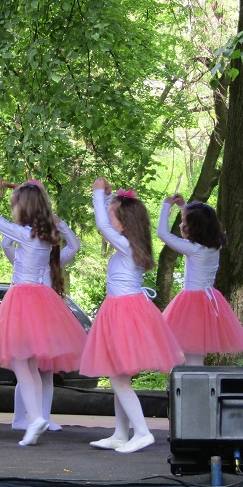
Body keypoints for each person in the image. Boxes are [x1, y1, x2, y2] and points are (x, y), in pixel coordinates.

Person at [0, 178, 87, 447]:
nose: (12, 210)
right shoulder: (46, 238)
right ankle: (36, 417)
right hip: (42, 301)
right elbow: (71, 245)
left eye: (14, 205)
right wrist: (60, 223)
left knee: (22, 363)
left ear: (23, 208)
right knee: (31, 367)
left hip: (23, 301)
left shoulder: (24, 234)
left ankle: (37, 417)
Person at [80, 180, 184, 454]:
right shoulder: (128, 244)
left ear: (125, 223)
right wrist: (107, 196)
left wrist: (96, 193)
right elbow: (110, 217)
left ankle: (142, 432)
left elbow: (103, 224)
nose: (107, 220)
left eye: (112, 215)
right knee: (119, 376)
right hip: (123, 310)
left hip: (124, 313)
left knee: (118, 379)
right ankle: (120, 433)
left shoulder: (126, 245)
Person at [157, 193, 243, 366]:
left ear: (193, 229)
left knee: (192, 359)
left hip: (192, 304)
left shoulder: (193, 249)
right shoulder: (214, 246)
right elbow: (202, 218)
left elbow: (162, 234)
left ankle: (192, 384)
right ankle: (192, 382)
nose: (181, 225)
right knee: (195, 357)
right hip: (209, 301)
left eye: (184, 223)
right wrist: (183, 206)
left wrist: (166, 206)